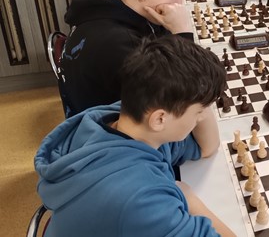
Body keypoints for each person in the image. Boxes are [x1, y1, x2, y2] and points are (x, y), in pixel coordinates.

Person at [35, 35, 235, 237]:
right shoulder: (142, 202)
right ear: (160, 119)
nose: (202, 118)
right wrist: (189, 198)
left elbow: (207, 147)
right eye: (199, 112)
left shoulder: (121, 120)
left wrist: (203, 96)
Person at [61, 0, 194, 116]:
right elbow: (186, 96)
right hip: (110, 129)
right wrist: (183, 34)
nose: (180, 3)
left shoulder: (107, 4)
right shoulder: (122, 45)